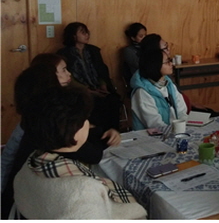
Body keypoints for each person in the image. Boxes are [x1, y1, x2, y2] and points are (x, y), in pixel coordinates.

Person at [1, 56, 122, 219]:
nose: (69, 74)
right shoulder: (55, 137)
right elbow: (92, 154)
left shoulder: (35, 122)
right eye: (63, 70)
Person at [12, 86, 147, 219]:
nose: (89, 124)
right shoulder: (82, 191)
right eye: (85, 119)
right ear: (73, 131)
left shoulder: (32, 161)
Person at [57, 22, 122, 130]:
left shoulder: (93, 51)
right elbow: (69, 78)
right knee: (92, 103)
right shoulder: (64, 53)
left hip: (97, 87)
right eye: (83, 32)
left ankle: (113, 133)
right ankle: (95, 134)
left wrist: (103, 86)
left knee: (112, 100)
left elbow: (102, 70)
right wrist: (88, 90)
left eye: (87, 32)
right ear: (73, 36)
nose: (87, 35)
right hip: (78, 90)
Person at [130, 49, 187, 130]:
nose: (171, 64)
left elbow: (182, 111)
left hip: (173, 132)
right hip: (151, 138)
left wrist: (183, 126)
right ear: (155, 65)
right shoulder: (142, 92)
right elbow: (154, 124)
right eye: (167, 62)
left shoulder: (169, 85)